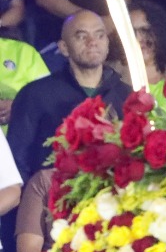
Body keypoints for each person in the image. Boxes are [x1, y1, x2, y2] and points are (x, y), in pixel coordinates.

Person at [8, 11, 131, 182]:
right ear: (64, 48)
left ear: (108, 43)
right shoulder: (36, 94)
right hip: (52, 199)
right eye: (82, 36)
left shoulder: (127, 96)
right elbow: (17, 160)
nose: (92, 42)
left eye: (100, 35)